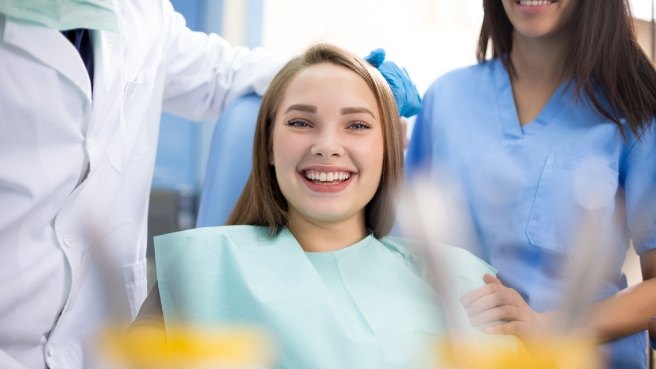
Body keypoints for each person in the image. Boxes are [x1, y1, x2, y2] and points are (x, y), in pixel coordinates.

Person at [134, 43, 508, 369]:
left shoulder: (461, 281)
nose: (327, 145)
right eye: (301, 122)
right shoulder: (200, 271)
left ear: (388, 149)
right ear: (267, 146)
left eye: (357, 126)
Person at [406, 0, 656, 368]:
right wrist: (364, 117)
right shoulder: (446, 98)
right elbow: (402, 245)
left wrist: (550, 327)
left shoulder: (633, 111)